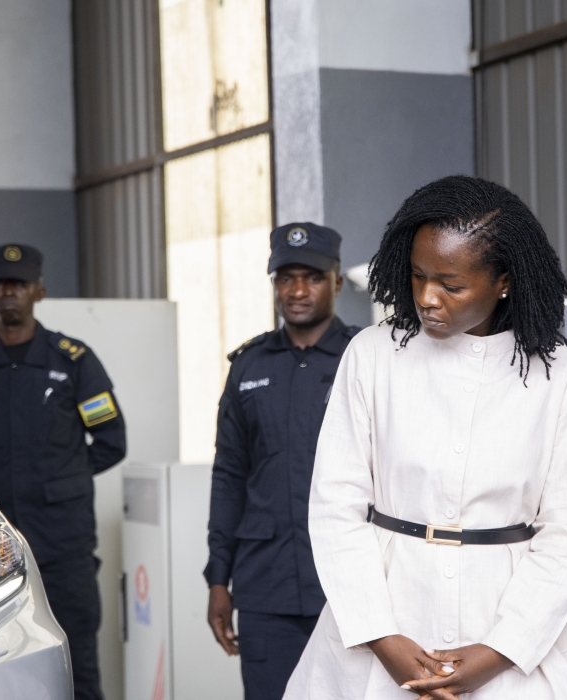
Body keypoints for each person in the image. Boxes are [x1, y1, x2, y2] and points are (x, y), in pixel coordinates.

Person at [284, 175, 567, 699]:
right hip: (384, 624)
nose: (427, 298)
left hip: (507, 636)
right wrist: (382, 637)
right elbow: (335, 508)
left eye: (451, 286)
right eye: (417, 276)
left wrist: (498, 651)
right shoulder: (372, 354)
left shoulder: (559, 375)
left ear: (503, 281)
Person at [0, 244, 126, 700]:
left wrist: (63, 479)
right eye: (0, 284)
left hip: (64, 549)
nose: (9, 293)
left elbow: (111, 441)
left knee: (77, 664)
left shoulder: (73, 362)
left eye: (19, 285)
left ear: (38, 291)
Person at [204, 222, 359, 700]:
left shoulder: (363, 358)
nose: (297, 291)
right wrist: (218, 578)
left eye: (312, 278)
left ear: (336, 282)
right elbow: (229, 475)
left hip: (349, 584)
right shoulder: (249, 366)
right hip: (266, 587)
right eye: (285, 278)